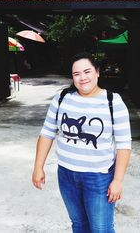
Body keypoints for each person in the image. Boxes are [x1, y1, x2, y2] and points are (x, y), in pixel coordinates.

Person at [32, 52, 132, 232]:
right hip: (66, 175)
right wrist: (38, 167)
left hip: (98, 177)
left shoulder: (113, 101)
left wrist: (117, 180)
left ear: (97, 72)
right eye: (76, 74)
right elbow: (47, 133)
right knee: (79, 225)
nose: (82, 78)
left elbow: (124, 145)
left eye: (87, 72)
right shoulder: (61, 98)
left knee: (101, 228)